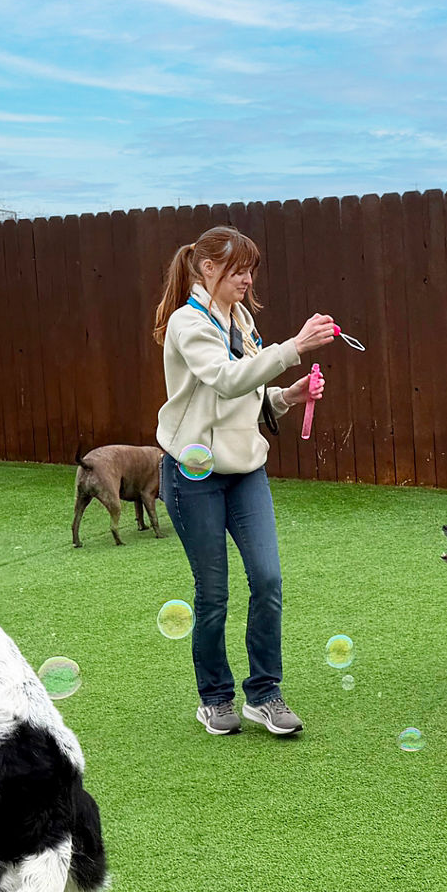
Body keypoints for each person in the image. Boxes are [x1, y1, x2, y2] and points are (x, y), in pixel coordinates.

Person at [153, 225, 335, 736]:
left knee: (269, 580)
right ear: (207, 268)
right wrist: (294, 346)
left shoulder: (242, 318)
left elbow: (244, 398)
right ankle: (214, 698)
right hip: (194, 477)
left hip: (245, 470)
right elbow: (227, 379)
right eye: (239, 269)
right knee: (213, 594)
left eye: (251, 269)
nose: (248, 278)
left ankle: (264, 695)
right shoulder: (188, 324)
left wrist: (286, 396)